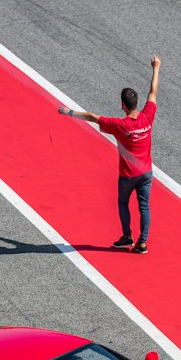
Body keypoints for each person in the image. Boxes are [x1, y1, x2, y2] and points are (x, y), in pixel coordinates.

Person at [57, 55, 160, 255]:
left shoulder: (120, 125)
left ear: (123, 104)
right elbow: (153, 92)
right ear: (136, 103)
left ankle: (127, 236)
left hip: (128, 175)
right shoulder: (148, 116)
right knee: (144, 208)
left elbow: (92, 117)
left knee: (123, 203)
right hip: (147, 173)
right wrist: (156, 68)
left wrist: (69, 112)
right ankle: (143, 243)